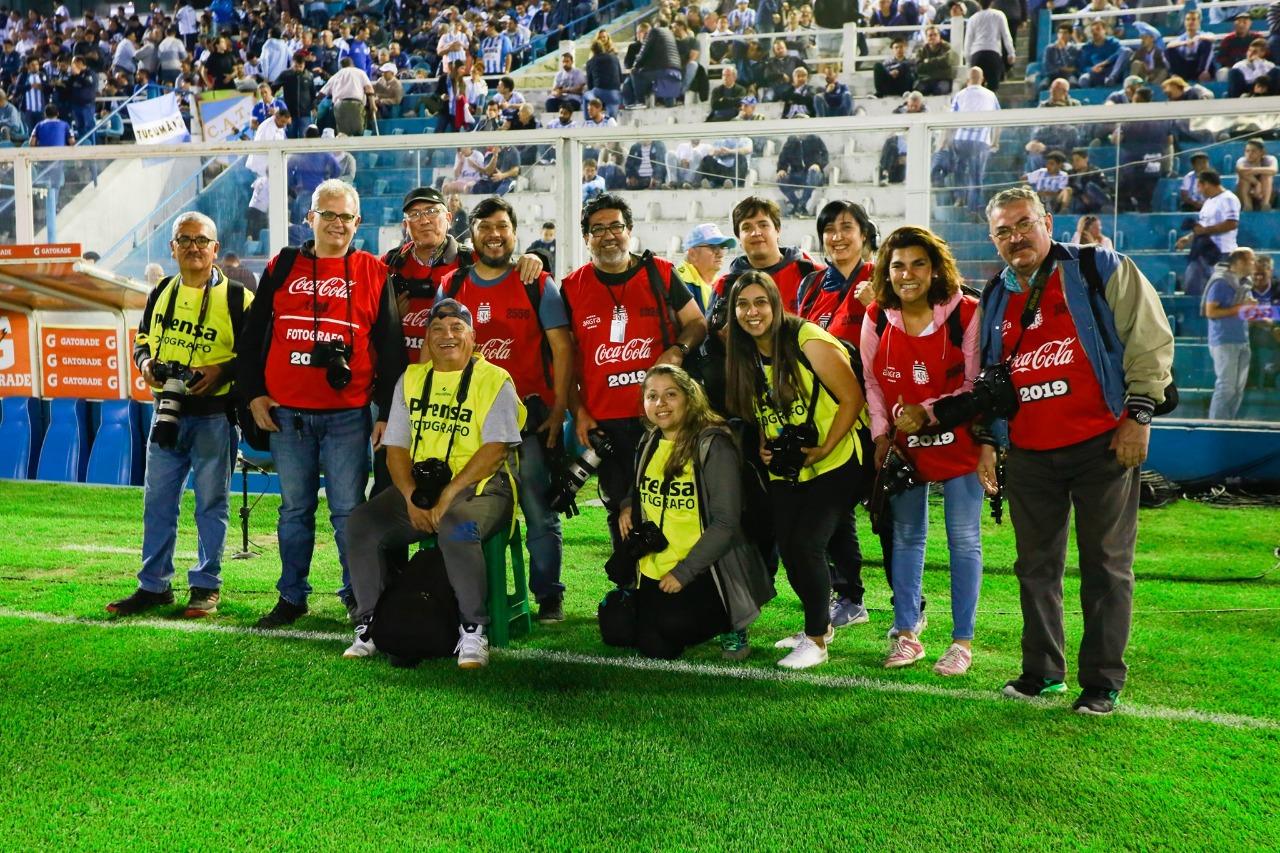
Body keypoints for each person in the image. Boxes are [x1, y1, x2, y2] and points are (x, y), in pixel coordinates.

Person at [978, 186, 1174, 715]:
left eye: (1023, 224)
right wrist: (991, 442)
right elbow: (990, 378)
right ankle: (1043, 672)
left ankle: (1103, 680)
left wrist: (1138, 415)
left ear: (1047, 221)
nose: (1015, 237)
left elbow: (1149, 340)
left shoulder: (1099, 267)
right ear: (993, 238)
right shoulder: (995, 294)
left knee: (1106, 565)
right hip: (1030, 452)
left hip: (1102, 445)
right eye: (1003, 230)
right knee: (1034, 567)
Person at [237, 179, 408, 628]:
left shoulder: (373, 270)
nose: (337, 224)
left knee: (348, 512)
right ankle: (291, 596)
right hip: (286, 415)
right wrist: (253, 392)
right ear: (309, 218)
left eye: (345, 216)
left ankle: (357, 596)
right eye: (327, 215)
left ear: (358, 222)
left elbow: (391, 348)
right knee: (295, 510)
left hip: (349, 417)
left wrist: (388, 413)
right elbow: (252, 336)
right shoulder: (283, 265)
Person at [343, 299, 524, 668]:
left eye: (457, 328)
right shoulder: (411, 379)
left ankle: (473, 628)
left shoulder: (494, 379)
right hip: (425, 488)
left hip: (485, 486)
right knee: (361, 524)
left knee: (457, 528)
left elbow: (495, 450)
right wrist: (410, 497)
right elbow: (395, 449)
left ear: (473, 336)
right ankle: (370, 622)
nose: (448, 336)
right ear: (426, 338)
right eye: (438, 330)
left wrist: (449, 497)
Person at [106, 213, 251, 619]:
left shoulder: (238, 298)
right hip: (166, 411)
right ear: (172, 248)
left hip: (214, 417)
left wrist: (222, 370)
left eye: (201, 240)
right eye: (184, 240)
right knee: (158, 502)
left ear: (215, 248)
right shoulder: (161, 292)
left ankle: (205, 586)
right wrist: (147, 363)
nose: (193, 247)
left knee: (211, 504)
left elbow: (256, 354)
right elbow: (142, 342)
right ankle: (153, 586)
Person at [437, 197, 574, 622]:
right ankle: (460, 592)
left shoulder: (536, 283)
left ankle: (548, 594)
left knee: (538, 509)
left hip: (527, 422)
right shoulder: (453, 285)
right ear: (471, 234)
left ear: (514, 232)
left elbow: (563, 349)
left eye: (502, 226)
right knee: (457, 507)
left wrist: (558, 411)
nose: (494, 235)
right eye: (484, 227)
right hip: (468, 425)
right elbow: (439, 349)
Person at [725, 270, 865, 669]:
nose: (752, 312)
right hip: (790, 468)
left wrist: (823, 448)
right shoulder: (746, 352)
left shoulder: (807, 339)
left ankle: (818, 639)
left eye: (760, 302)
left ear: (775, 303)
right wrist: (768, 447)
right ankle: (817, 626)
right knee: (790, 546)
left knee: (807, 544)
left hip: (836, 460)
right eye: (742, 304)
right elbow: (764, 411)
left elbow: (852, 398)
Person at [861, 226, 982, 675]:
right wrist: (879, 435)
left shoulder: (966, 313)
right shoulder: (876, 317)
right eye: (897, 266)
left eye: (918, 264)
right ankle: (907, 633)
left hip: (958, 441)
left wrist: (926, 412)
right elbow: (872, 383)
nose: (907, 274)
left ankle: (961, 642)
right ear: (885, 272)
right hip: (904, 448)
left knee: (963, 540)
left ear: (935, 269)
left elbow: (973, 385)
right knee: (908, 538)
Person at [562, 193, 708, 561]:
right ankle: (630, 585)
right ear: (586, 239)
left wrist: (679, 351)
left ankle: (676, 579)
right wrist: (578, 411)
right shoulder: (571, 288)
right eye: (598, 229)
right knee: (619, 505)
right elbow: (563, 361)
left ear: (630, 231)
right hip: (606, 420)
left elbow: (697, 323)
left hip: (663, 415)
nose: (608, 235)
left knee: (672, 499)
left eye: (616, 226)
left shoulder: (659, 272)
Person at [603, 365, 774, 659]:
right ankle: (671, 615)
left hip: (707, 568)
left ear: (689, 398)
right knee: (619, 628)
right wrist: (627, 505)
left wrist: (684, 572)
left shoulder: (712, 445)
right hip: (657, 564)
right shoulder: (649, 440)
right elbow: (639, 483)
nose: (661, 403)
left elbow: (725, 522)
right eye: (652, 396)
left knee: (671, 625)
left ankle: (733, 622)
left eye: (671, 394)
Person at [794, 200, 879, 630]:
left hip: (872, 417)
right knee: (835, 511)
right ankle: (848, 597)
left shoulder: (883, 280)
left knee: (889, 516)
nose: (837, 236)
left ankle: (909, 608)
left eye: (847, 227)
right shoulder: (811, 286)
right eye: (829, 228)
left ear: (865, 234)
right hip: (821, 419)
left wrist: (881, 304)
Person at [1203, 247, 1257, 420]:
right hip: (1224, 340)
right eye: (1251, 260)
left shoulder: (1244, 284)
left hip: (1242, 339)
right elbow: (1211, 312)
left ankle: (1229, 424)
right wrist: (1241, 308)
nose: (1254, 264)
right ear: (1240, 262)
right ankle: (1216, 426)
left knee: (1238, 389)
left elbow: (1244, 312)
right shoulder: (1221, 282)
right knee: (1226, 387)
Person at [1175, 170, 1240, 296]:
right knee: (1192, 288)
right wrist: (1189, 238)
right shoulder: (1208, 202)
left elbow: (1232, 223)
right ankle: (1193, 315)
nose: (1199, 191)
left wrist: (1205, 230)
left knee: (1218, 291)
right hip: (1201, 251)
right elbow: (1203, 226)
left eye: (1199, 186)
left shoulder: (1228, 198)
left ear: (1207, 184)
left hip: (1221, 252)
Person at [948, 67, 1002, 214]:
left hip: (961, 139)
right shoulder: (991, 95)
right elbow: (998, 121)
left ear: (968, 80)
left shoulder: (960, 95)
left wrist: (947, 141)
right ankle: (974, 208)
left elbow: (951, 120)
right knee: (976, 174)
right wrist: (995, 141)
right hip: (981, 142)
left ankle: (959, 198)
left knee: (960, 170)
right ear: (982, 79)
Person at [677, 223, 735, 314]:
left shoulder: (718, 282)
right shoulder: (678, 283)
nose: (721, 254)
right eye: (713, 247)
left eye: (722, 247)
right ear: (693, 254)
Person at [776, 116, 828, 217]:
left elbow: (825, 155)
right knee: (781, 179)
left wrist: (818, 164)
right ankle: (797, 204)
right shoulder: (791, 141)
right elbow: (783, 158)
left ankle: (802, 204)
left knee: (814, 173)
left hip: (814, 174)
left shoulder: (814, 138)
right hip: (797, 174)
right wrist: (781, 169)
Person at [963, 0, 1015, 92]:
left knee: (976, 88)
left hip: (977, 54)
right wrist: (1011, 53)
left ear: (978, 3)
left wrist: (968, 61)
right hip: (993, 54)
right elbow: (1006, 36)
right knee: (992, 88)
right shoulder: (999, 15)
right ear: (992, 2)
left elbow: (968, 41)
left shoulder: (973, 18)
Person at [319, 57, 375, 137]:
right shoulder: (360, 72)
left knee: (343, 134)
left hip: (339, 106)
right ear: (353, 64)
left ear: (340, 66)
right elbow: (369, 90)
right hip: (356, 105)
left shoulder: (337, 75)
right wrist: (373, 105)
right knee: (357, 133)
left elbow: (321, 93)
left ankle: (344, 149)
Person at [1235, 138, 1277, 212]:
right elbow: (1241, 171)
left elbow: (1273, 170)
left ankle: (1265, 204)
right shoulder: (1241, 161)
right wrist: (1257, 184)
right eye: (1247, 151)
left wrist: (1252, 170)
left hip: (1263, 194)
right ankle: (1247, 205)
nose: (1249, 154)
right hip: (1246, 193)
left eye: (1253, 151)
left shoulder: (1270, 159)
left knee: (1266, 176)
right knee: (1244, 179)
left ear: (1262, 152)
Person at [916, 25, 958, 95]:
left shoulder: (946, 47)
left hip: (943, 79)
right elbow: (918, 67)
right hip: (926, 80)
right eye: (930, 35)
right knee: (918, 90)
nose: (933, 37)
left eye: (935, 34)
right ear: (926, 37)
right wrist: (939, 62)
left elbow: (947, 61)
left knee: (939, 90)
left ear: (939, 36)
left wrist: (928, 62)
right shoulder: (922, 50)